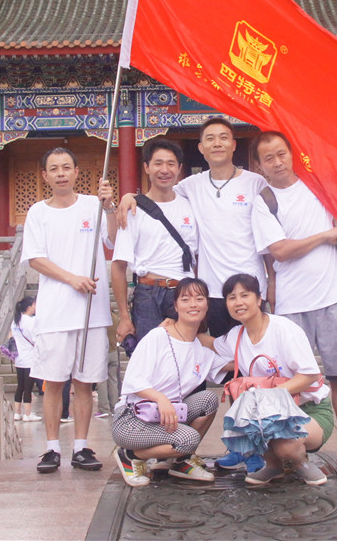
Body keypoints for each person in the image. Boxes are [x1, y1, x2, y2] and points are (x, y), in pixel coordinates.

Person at [246, 82, 337, 474]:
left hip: (332, 296)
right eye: (268, 158)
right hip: (291, 305)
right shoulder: (264, 201)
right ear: (259, 166)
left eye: (281, 154)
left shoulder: (319, 183)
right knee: (289, 380)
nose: (277, 162)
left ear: (292, 154)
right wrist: (326, 236)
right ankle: (291, 449)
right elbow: (280, 251)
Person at [119, 118, 267, 339]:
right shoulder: (191, 185)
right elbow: (159, 194)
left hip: (251, 287)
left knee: (256, 349)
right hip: (213, 291)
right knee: (219, 353)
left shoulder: (256, 183)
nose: (217, 143)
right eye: (210, 139)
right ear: (201, 148)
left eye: (223, 138)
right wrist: (129, 197)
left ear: (234, 145)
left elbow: (270, 234)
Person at [21, 147, 117, 474]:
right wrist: (71, 278)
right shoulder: (38, 212)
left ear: (77, 172)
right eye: (54, 169)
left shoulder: (93, 205)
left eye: (66, 167)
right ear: (45, 176)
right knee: (54, 382)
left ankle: (81, 447)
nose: (61, 173)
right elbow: (35, 258)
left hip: (92, 311)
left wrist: (110, 207)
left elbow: (113, 240)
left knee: (85, 383)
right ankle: (51, 449)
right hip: (55, 312)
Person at [203, 273, 334, 486]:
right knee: (245, 413)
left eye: (245, 295)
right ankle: (273, 465)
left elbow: (309, 375)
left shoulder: (284, 329)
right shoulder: (236, 336)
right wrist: (179, 326)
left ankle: (299, 462)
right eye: (232, 297)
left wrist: (268, 396)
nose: (238, 302)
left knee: (285, 445)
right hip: (270, 412)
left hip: (309, 410)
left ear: (258, 298)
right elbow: (211, 344)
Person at [111, 277, 223, 487]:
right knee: (189, 439)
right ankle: (130, 455)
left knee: (208, 399)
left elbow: (234, 363)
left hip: (165, 417)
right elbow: (133, 381)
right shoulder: (158, 336)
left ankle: (179, 462)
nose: (193, 304)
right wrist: (160, 398)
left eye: (199, 299)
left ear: (207, 305)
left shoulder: (201, 350)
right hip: (132, 419)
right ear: (176, 306)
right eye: (185, 299)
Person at [111, 138, 199, 345]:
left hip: (184, 292)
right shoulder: (133, 209)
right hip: (148, 294)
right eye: (158, 163)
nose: (165, 170)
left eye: (171, 164)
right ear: (146, 167)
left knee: (187, 354)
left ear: (179, 168)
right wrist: (124, 317)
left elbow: (199, 256)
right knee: (149, 356)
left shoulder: (192, 205)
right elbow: (118, 265)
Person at [11, 296, 42, 422]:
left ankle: (17, 412)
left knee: (20, 386)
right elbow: (35, 339)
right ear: (29, 307)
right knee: (28, 388)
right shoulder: (31, 321)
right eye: (34, 305)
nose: (35, 307)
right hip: (30, 358)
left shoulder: (15, 321)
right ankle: (28, 414)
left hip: (19, 358)